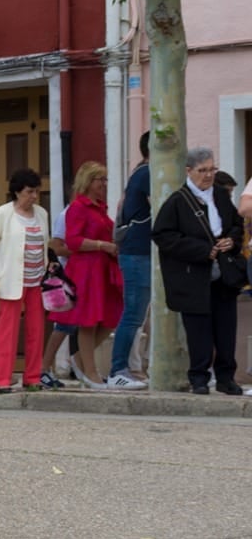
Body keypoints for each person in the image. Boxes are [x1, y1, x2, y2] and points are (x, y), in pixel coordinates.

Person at [153, 147, 246, 396]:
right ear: (189, 171)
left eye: (211, 169)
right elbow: (163, 236)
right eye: (202, 170)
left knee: (226, 329)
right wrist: (202, 250)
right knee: (199, 330)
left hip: (223, 275)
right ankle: (199, 378)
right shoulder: (177, 201)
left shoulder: (220, 195)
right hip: (193, 276)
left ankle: (226, 378)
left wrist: (232, 241)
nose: (208, 175)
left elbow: (236, 225)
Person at [49, 162, 124, 388]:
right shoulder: (78, 208)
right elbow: (72, 241)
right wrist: (102, 245)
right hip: (86, 270)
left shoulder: (99, 208)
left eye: (105, 179)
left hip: (102, 269)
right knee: (88, 322)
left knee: (112, 316)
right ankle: (90, 372)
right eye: (99, 179)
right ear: (88, 182)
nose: (103, 184)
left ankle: (81, 359)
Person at [0, 169, 53, 392]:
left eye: (36, 192)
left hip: (36, 280)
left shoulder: (41, 214)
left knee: (36, 331)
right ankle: (1, 379)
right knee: (7, 332)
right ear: (17, 192)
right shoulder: (2, 214)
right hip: (11, 280)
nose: (34, 196)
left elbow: (44, 245)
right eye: (29, 192)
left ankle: (32, 377)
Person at [110, 133, 152, 388]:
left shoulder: (139, 172)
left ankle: (125, 369)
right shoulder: (147, 173)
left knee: (136, 315)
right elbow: (162, 206)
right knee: (133, 314)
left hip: (139, 252)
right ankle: (118, 371)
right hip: (137, 253)